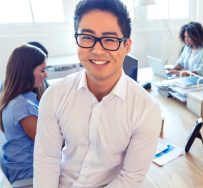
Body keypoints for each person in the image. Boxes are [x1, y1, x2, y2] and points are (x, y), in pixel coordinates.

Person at [33, 0, 162, 187]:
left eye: (110, 39)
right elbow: (47, 160)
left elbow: (129, 178)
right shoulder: (54, 96)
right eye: (87, 37)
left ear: (127, 46)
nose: (97, 50)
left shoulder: (146, 111)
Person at [0, 44, 47, 183]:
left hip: (22, 170)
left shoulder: (19, 99)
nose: (46, 75)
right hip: (28, 175)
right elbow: (47, 142)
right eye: (42, 70)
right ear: (27, 71)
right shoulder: (23, 106)